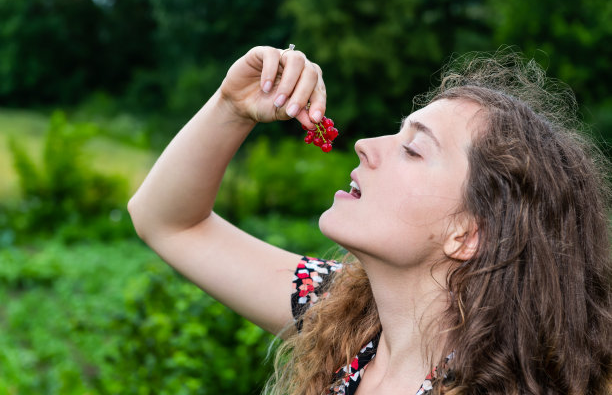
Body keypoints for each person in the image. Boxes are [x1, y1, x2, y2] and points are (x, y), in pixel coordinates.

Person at [127, 45, 612, 394]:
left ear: (468, 234)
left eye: (413, 149)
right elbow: (166, 220)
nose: (364, 144)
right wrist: (231, 108)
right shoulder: (344, 315)